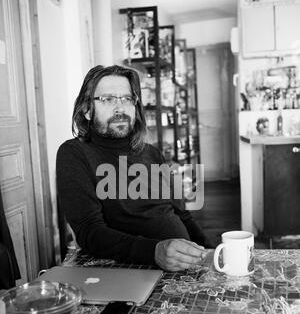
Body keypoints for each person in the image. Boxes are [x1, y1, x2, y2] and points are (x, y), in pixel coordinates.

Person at [56, 65, 211, 272]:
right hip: (134, 270)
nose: (120, 108)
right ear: (86, 109)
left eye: (127, 99)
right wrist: (155, 251)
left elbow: (183, 216)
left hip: (186, 265)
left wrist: (210, 251)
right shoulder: (74, 154)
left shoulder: (152, 153)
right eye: (108, 99)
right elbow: (90, 232)